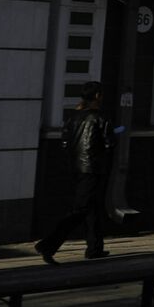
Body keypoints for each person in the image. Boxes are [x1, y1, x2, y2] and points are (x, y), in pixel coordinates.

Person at [38, 81, 111, 263]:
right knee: (81, 209)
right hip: (92, 169)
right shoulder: (100, 118)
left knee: (91, 208)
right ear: (97, 96)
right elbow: (110, 143)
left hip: (75, 169)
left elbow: (64, 142)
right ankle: (48, 245)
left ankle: (95, 248)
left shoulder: (72, 117)